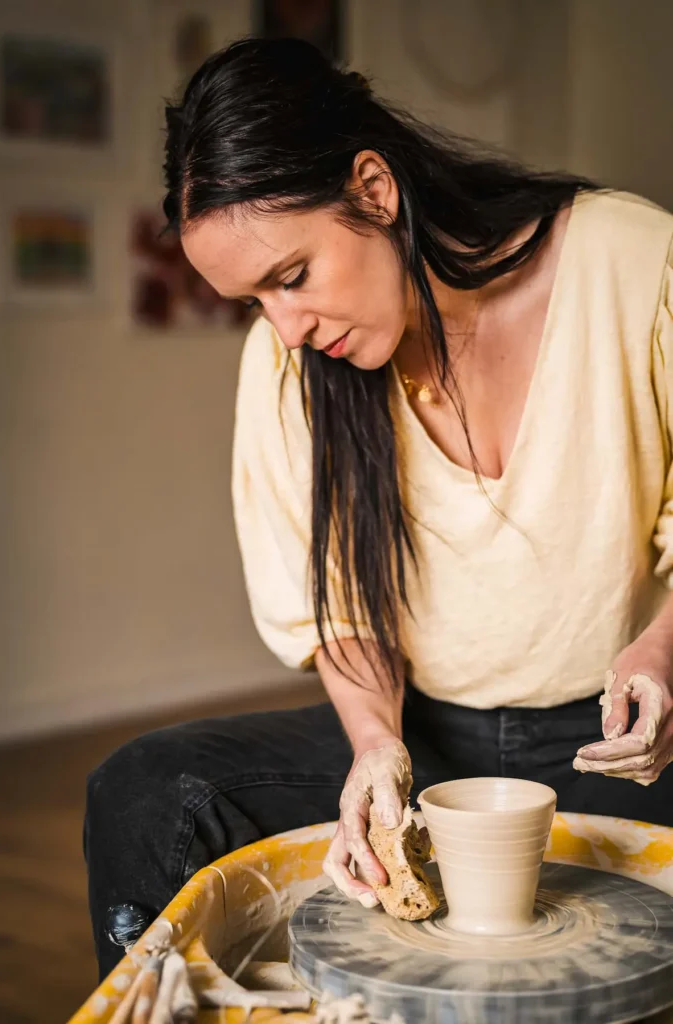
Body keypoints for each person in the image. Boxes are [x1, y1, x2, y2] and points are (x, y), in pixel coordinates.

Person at [84, 36, 673, 978]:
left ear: (373, 189)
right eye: (252, 304)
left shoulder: (631, 259)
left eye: (291, 277)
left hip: (625, 745)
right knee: (149, 790)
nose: (287, 331)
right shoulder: (287, 366)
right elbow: (339, 608)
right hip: (424, 741)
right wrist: (373, 746)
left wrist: (657, 654)